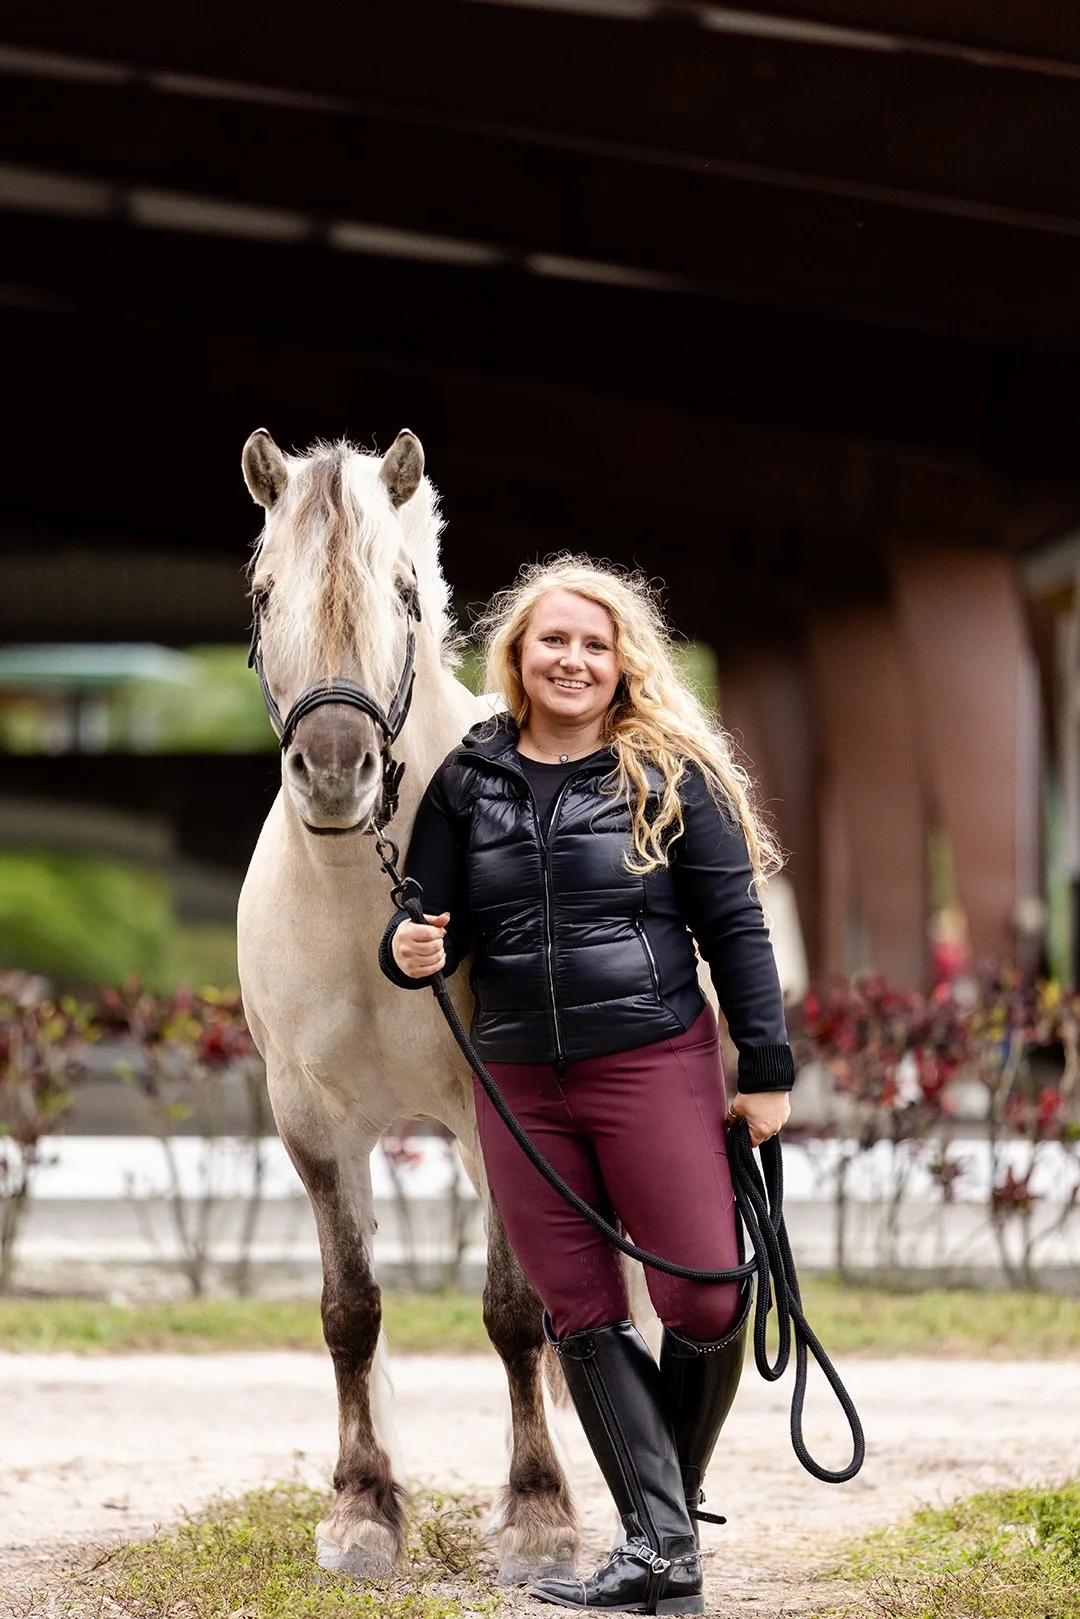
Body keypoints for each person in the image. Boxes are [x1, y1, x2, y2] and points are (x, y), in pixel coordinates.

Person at [379, 557, 794, 1615]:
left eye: (594, 644)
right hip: (519, 1076)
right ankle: (665, 1552)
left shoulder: (669, 771)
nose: (572, 658)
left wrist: (769, 1066)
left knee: (704, 1292)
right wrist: (410, 947)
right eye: (551, 640)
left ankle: (668, 1514)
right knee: (581, 1309)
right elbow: (425, 919)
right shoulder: (467, 779)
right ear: (515, 654)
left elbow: (734, 926)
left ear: (623, 664)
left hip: (651, 1055)